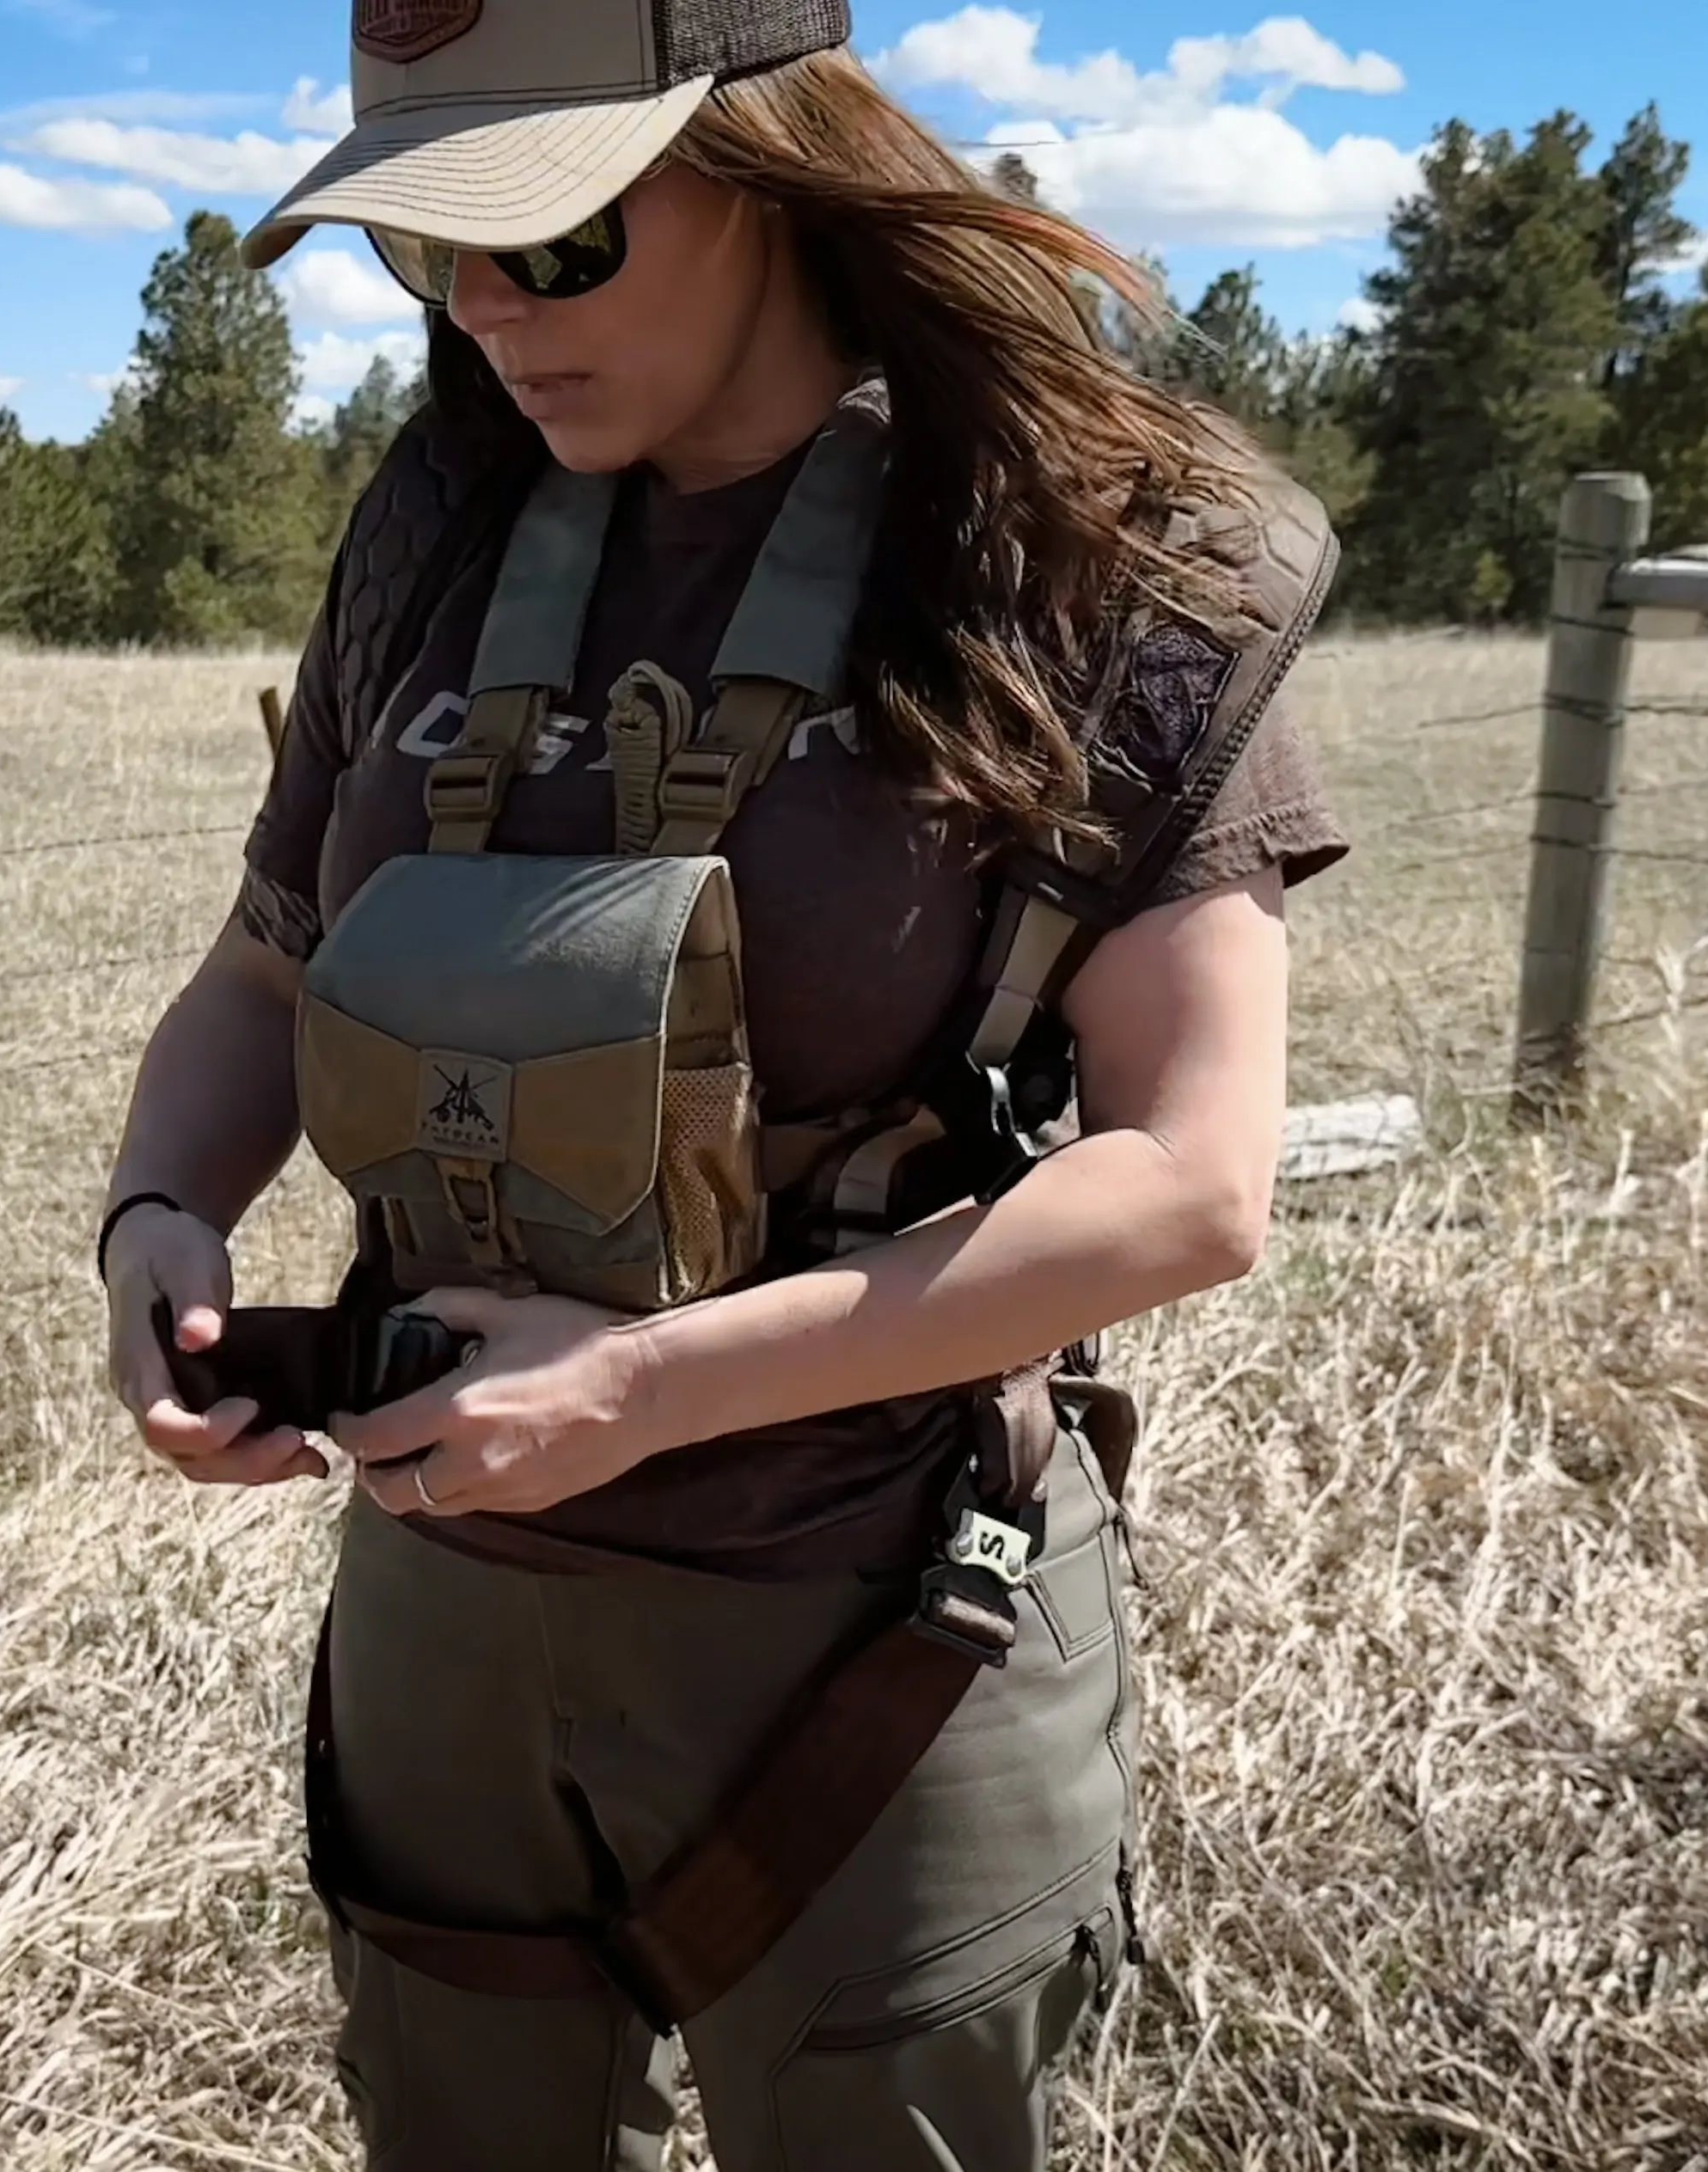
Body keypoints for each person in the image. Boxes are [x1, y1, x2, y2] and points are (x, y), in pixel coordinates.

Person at [95, 2, 1349, 2164]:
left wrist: (645, 1391)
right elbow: (261, 970)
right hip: (448, 1603)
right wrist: (157, 1219)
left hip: (865, 1629)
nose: (487, 308)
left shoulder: (1078, 549)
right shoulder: (440, 529)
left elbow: (1191, 1181)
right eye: (432, 250)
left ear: (766, 169)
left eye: (556, 236)